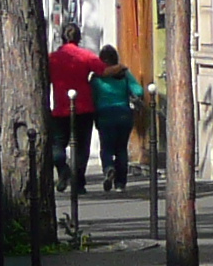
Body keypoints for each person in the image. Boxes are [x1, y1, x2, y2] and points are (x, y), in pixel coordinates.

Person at [45, 20, 100, 193]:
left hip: (61, 108)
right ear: (79, 37)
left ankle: (63, 169)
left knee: (57, 145)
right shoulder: (86, 56)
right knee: (82, 146)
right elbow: (103, 70)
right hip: (84, 107)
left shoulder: (52, 58)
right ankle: (78, 182)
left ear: (61, 37)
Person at [89, 45, 143, 193]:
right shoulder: (124, 74)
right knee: (121, 149)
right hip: (124, 114)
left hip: (105, 115)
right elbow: (138, 90)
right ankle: (120, 183)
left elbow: (91, 97)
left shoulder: (96, 78)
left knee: (106, 148)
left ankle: (108, 168)